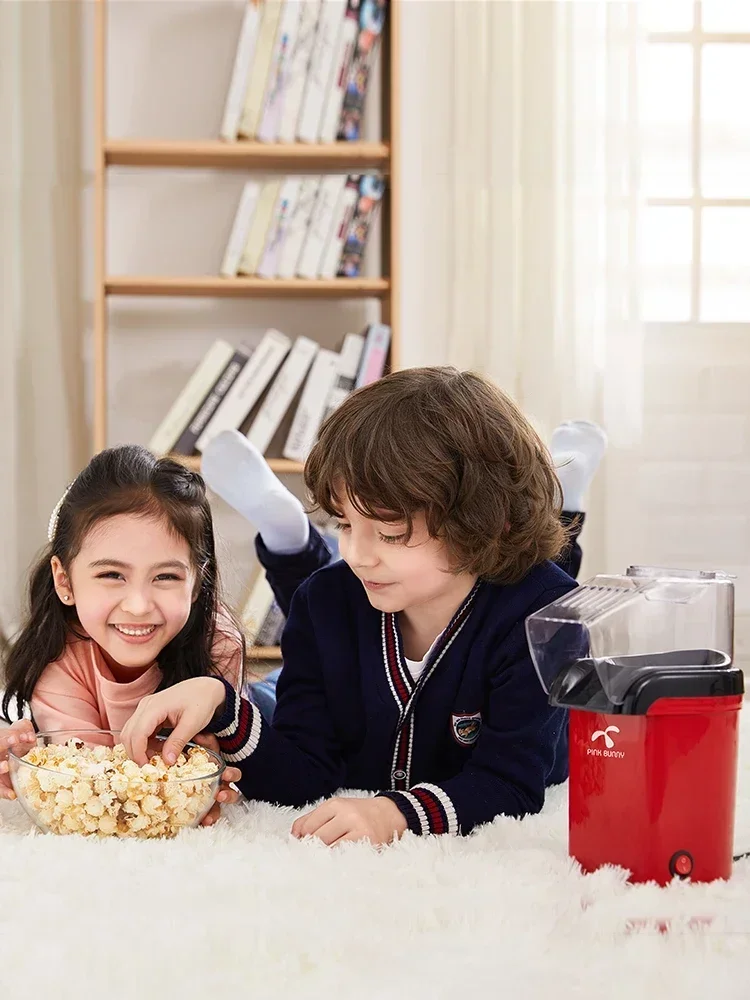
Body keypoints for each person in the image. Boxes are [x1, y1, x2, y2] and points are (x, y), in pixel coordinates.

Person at [121, 368, 607, 845]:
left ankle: (564, 494)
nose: (355, 554)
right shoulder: (323, 602)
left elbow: (509, 784)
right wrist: (223, 706)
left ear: (482, 520)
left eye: (390, 533)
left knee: (547, 560)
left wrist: (395, 813)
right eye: (345, 524)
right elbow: (302, 774)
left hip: (538, 650)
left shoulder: (546, 618)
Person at [0, 446, 242, 822]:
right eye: (112, 575)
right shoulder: (58, 657)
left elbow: (217, 756)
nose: (138, 605)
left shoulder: (219, 643)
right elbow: (89, 783)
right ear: (64, 581)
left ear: (197, 583)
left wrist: (213, 773)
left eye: (166, 576)